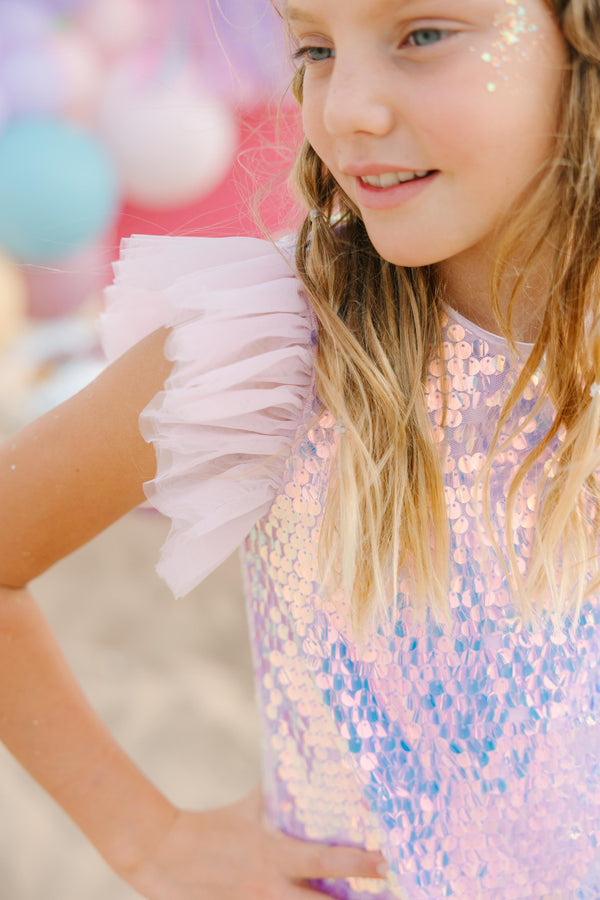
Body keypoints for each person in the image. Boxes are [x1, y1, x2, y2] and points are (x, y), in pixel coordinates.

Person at [1, 0, 599, 896]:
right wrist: (151, 841)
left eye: (421, 35)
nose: (343, 110)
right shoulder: (269, 346)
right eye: (315, 49)